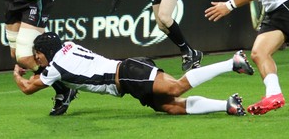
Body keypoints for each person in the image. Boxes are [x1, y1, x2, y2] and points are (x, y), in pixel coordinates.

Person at [13, 32, 255, 116]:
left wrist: (17, 71)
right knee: (169, 107)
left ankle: (231, 63)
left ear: (45, 53)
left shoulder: (55, 68)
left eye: (37, 55)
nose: (36, 59)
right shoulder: (68, 46)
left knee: (175, 88)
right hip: (127, 78)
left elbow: (27, 88)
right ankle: (228, 106)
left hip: (127, 73)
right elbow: (64, 70)